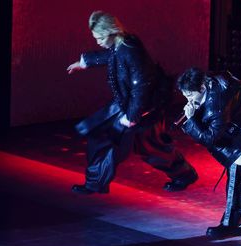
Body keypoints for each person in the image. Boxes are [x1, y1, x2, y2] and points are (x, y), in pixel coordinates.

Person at [66, 11, 197, 194]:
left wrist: (132, 117)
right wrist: (85, 61)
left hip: (142, 108)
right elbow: (111, 57)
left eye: (99, 38)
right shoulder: (120, 46)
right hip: (131, 106)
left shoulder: (130, 50)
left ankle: (184, 174)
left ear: (111, 33)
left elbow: (141, 85)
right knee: (104, 138)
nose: (97, 42)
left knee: (151, 148)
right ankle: (95, 183)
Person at [176, 67, 241, 246]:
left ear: (202, 88)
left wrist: (192, 120)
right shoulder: (210, 88)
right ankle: (231, 224)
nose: (188, 100)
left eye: (190, 95)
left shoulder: (216, 102)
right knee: (235, 177)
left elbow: (211, 137)